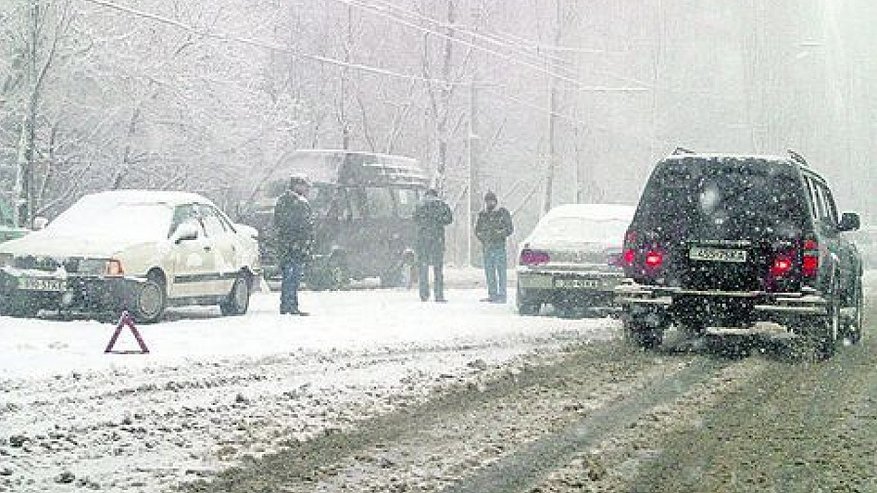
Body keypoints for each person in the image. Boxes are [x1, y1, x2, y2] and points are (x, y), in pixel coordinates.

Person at [273, 174, 315, 315]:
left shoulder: (283, 201)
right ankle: (290, 305)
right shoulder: (297, 203)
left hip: (287, 245)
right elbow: (301, 225)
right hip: (294, 246)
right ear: (297, 185)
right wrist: (300, 242)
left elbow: (279, 223)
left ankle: (287, 304)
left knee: (289, 276)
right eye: (304, 186)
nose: (306, 189)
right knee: (292, 276)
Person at [414, 188, 453, 302]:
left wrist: (425, 223)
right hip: (437, 239)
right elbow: (449, 219)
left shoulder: (420, 205)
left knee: (423, 267)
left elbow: (415, 219)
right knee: (438, 268)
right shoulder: (441, 205)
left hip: (423, 240)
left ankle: (424, 294)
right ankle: (439, 294)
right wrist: (438, 221)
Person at [475, 191, 513, 303]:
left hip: (499, 246)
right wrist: (483, 237)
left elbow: (509, 229)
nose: (489, 203)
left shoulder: (502, 213)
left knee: (501, 271)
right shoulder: (482, 214)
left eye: (491, 201)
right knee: (489, 272)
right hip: (487, 247)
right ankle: (492, 294)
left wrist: (499, 234)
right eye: (487, 201)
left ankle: (502, 295)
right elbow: (477, 230)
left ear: (495, 201)